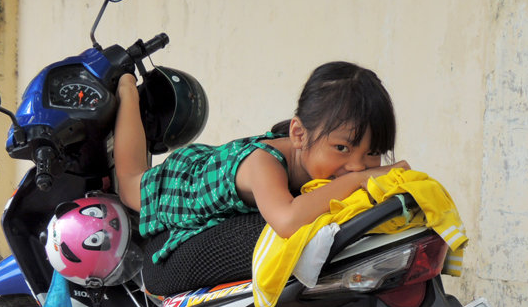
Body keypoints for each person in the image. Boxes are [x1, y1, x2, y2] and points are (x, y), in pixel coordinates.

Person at [113, 61, 409, 263]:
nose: (358, 165)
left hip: (227, 164)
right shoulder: (264, 164)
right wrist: (358, 180)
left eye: (372, 152)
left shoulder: (319, 160)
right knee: (130, 183)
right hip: (187, 180)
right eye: (342, 148)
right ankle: (128, 91)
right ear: (298, 134)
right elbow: (287, 220)